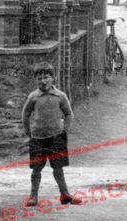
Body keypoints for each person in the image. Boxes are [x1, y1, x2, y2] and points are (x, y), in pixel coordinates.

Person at [21, 62, 81, 207]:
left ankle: (65, 194)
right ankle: (33, 196)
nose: (43, 81)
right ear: (35, 80)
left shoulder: (60, 96)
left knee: (58, 168)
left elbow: (68, 114)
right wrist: (29, 133)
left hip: (56, 138)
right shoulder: (33, 97)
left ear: (52, 78)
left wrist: (64, 130)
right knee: (36, 169)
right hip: (38, 138)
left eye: (46, 77)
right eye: (39, 78)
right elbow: (25, 114)